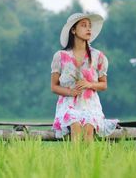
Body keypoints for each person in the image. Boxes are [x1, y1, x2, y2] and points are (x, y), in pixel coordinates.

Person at [50, 13, 118, 142]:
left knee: (88, 127)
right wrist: (70, 92)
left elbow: (103, 85)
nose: (88, 29)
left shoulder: (98, 56)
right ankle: (75, 160)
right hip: (68, 105)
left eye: (90, 26)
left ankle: (89, 161)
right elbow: (54, 86)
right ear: (73, 30)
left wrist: (89, 84)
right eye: (84, 25)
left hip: (90, 105)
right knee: (75, 125)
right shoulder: (60, 56)